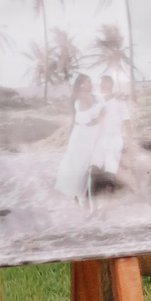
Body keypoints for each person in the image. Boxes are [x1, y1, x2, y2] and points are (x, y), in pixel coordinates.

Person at [50, 74, 100, 211]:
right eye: (87, 82)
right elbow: (86, 121)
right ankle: (78, 198)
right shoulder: (79, 100)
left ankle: (85, 196)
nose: (90, 84)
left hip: (93, 134)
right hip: (83, 136)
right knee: (79, 166)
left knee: (88, 166)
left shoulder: (94, 97)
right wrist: (100, 118)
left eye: (90, 81)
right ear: (81, 85)